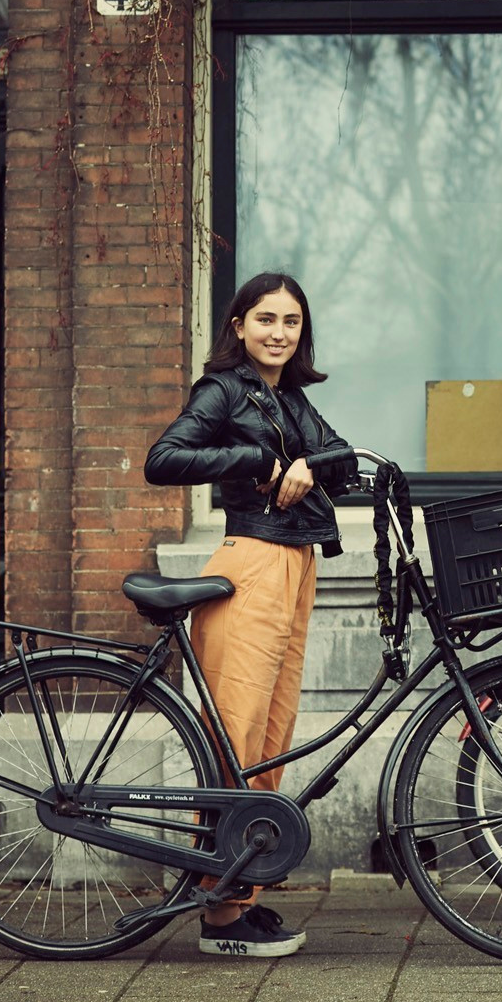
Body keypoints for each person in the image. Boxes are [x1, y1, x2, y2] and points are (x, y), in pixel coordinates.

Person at [145, 271, 355, 959]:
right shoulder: (225, 389)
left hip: (296, 565)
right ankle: (219, 915)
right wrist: (260, 459)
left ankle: (242, 893)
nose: (278, 332)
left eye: (291, 321)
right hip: (250, 563)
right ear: (238, 324)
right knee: (235, 737)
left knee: (270, 735)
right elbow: (164, 458)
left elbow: (340, 456)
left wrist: (311, 465)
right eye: (266, 318)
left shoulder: (288, 394)